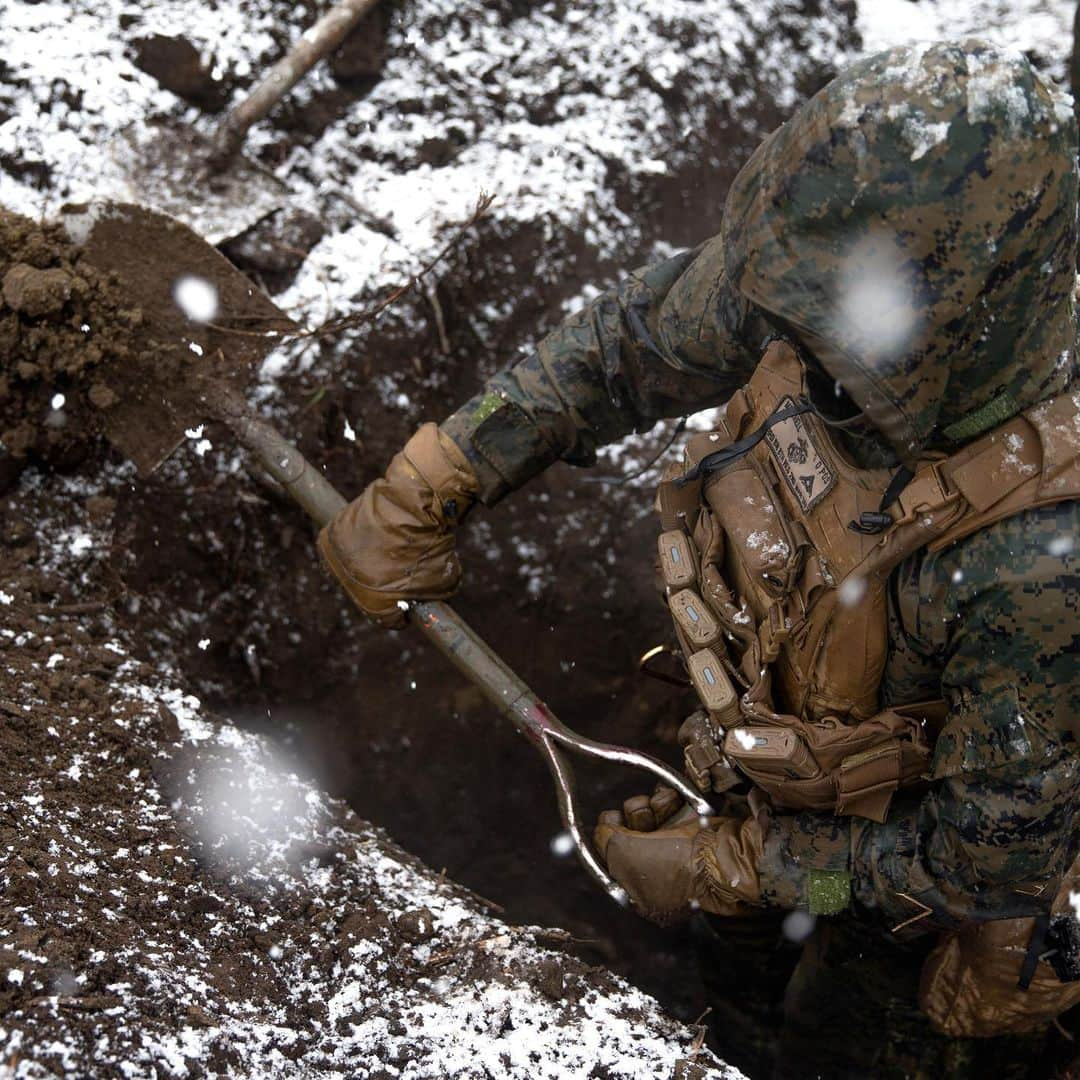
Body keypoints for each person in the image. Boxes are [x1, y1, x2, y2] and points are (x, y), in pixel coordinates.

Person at [318, 40, 1080, 1077]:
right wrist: (440, 473)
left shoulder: (1038, 564)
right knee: (736, 981)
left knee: (853, 1034)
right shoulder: (833, 286)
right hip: (771, 749)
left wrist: (732, 868)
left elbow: (973, 866)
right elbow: (632, 342)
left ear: (952, 317)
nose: (785, 339)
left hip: (912, 881)